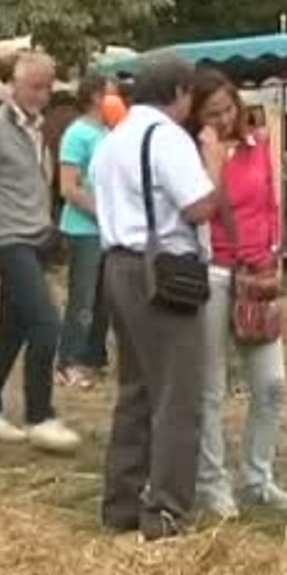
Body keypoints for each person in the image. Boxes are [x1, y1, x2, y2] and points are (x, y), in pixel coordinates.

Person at [89, 52, 225, 541]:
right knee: (176, 394)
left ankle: (121, 502)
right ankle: (166, 509)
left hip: (116, 265)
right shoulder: (166, 137)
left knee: (136, 389)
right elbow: (198, 206)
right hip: (160, 269)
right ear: (181, 93)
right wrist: (214, 165)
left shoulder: (114, 138)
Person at [186, 68, 287, 519]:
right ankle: (213, 483)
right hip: (214, 270)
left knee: (271, 384)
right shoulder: (195, 153)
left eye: (227, 109)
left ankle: (258, 476)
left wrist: (274, 252)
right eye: (211, 113)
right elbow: (203, 206)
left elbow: (272, 202)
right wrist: (212, 159)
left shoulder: (256, 146)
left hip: (257, 273)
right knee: (211, 387)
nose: (222, 118)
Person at [0, 52, 80, 454]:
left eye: (48, 87)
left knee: (11, 330)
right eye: (35, 86)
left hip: (34, 238)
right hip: (7, 241)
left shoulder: (38, 129)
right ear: (14, 84)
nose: (42, 95)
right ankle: (39, 415)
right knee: (46, 324)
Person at [55, 74, 113, 391]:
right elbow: (69, 186)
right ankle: (67, 362)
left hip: (107, 231)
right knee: (83, 299)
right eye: (112, 93)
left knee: (105, 298)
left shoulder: (109, 132)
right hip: (83, 229)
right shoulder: (77, 134)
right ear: (95, 96)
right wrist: (102, 213)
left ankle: (93, 356)